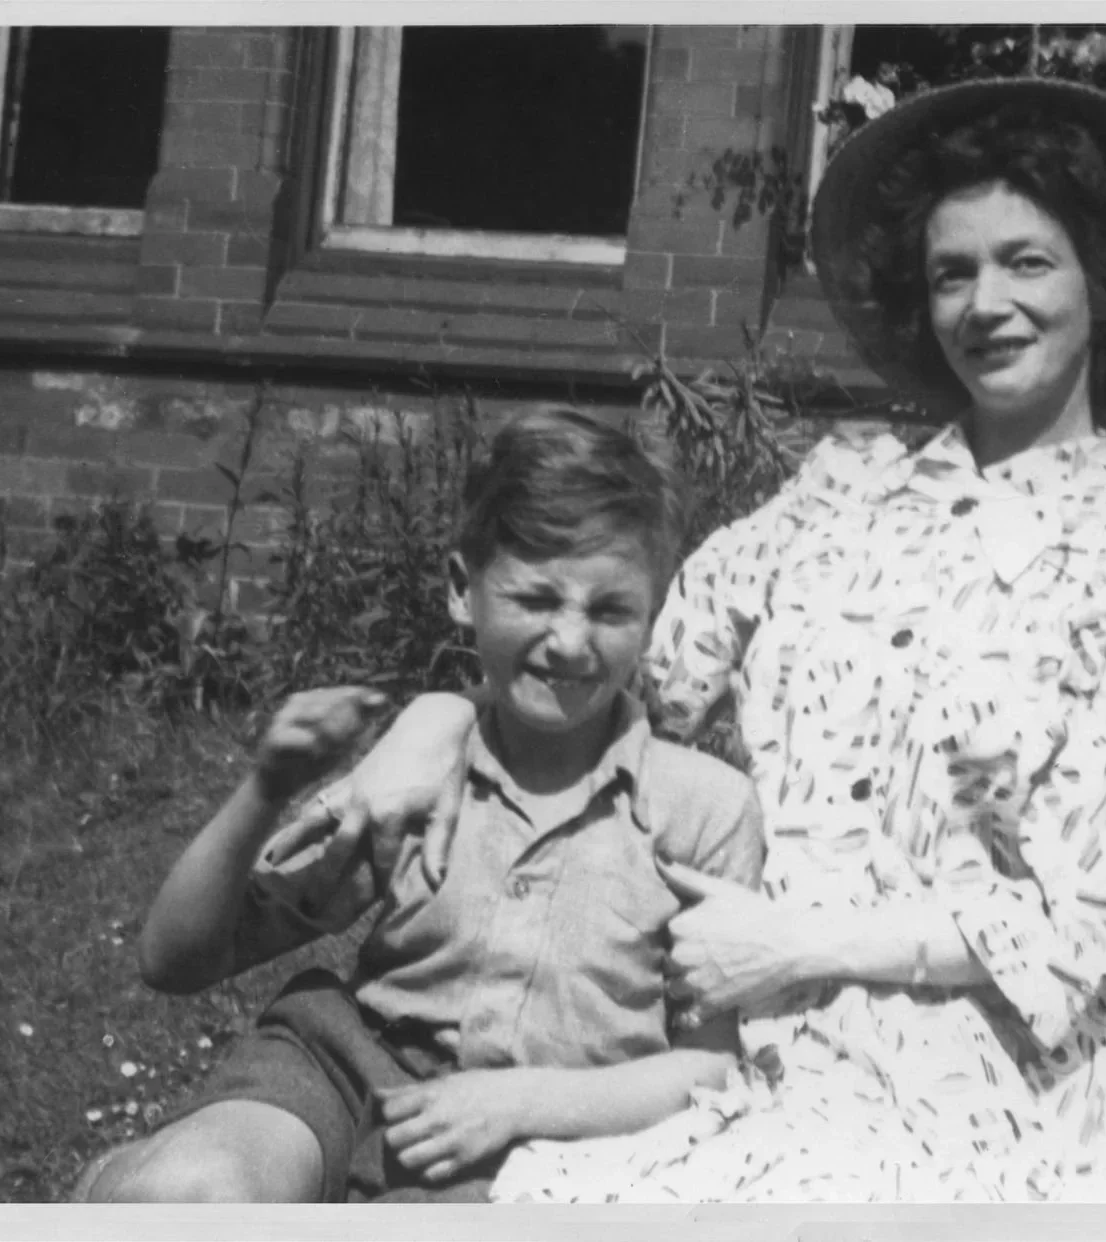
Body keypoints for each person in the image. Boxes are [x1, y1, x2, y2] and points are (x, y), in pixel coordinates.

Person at [299, 76, 1106, 1202]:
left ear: (1103, 279)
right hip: (771, 1043)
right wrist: (438, 717)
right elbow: (605, 674)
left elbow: (1070, 928)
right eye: (952, 273)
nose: (984, 303)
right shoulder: (834, 500)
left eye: (1027, 262)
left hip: (1027, 1090)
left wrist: (792, 943)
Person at [74, 408, 765, 1202]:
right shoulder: (415, 770)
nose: (571, 642)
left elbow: (713, 1064)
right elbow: (176, 960)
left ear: (651, 614)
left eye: (610, 610)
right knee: (191, 1194)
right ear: (462, 591)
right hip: (348, 1075)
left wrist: (520, 1104)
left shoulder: (703, 810)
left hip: (550, 1141)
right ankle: (141, 1186)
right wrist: (266, 788)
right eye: (535, 598)